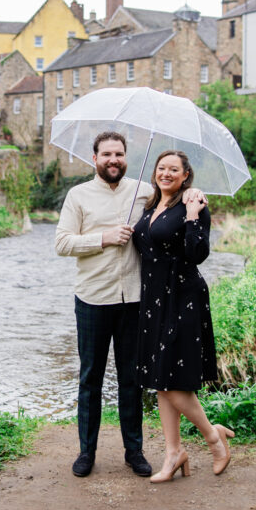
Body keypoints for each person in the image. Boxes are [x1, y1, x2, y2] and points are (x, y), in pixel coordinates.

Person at [55, 131, 204, 478]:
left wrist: (193, 193)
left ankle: (133, 451)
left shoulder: (145, 193)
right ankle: (86, 453)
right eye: (106, 154)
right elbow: (62, 243)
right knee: (90, 378)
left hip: (135, 300)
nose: (113, 160)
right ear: (95, 159)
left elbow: (176, 198)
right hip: (93, 297)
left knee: (132, 380)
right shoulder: (78, 195)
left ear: (126, 158)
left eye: (119, 154)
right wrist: (103, 238)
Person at [131, 149, 234, 483]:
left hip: (182, 297)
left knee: (174, 383)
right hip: (153, 300)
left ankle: (213, 437)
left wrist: (192, 215)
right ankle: (174, 453)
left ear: (186, 175)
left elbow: (198, 254)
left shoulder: (194, 204)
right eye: (161, 168)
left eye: (173, 169)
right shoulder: (149, 205)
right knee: (161, 383)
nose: (166, 173)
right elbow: (148, 246)